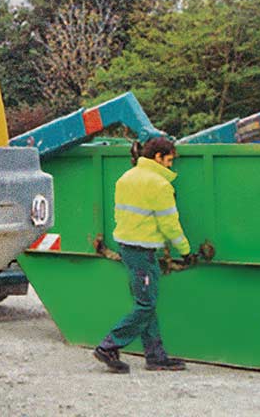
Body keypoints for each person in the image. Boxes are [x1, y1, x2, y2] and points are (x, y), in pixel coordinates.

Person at [93, 136, 196, 373]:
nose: (171, 166)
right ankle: (109, 345)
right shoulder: (159, 185)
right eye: (169, 160)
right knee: (146, 305)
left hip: (128, 248)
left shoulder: (125, 178)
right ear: (158, 157)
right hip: (142, 250)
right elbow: (170, 225)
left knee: (147, 303)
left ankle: (156, 357)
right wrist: (186, 251)